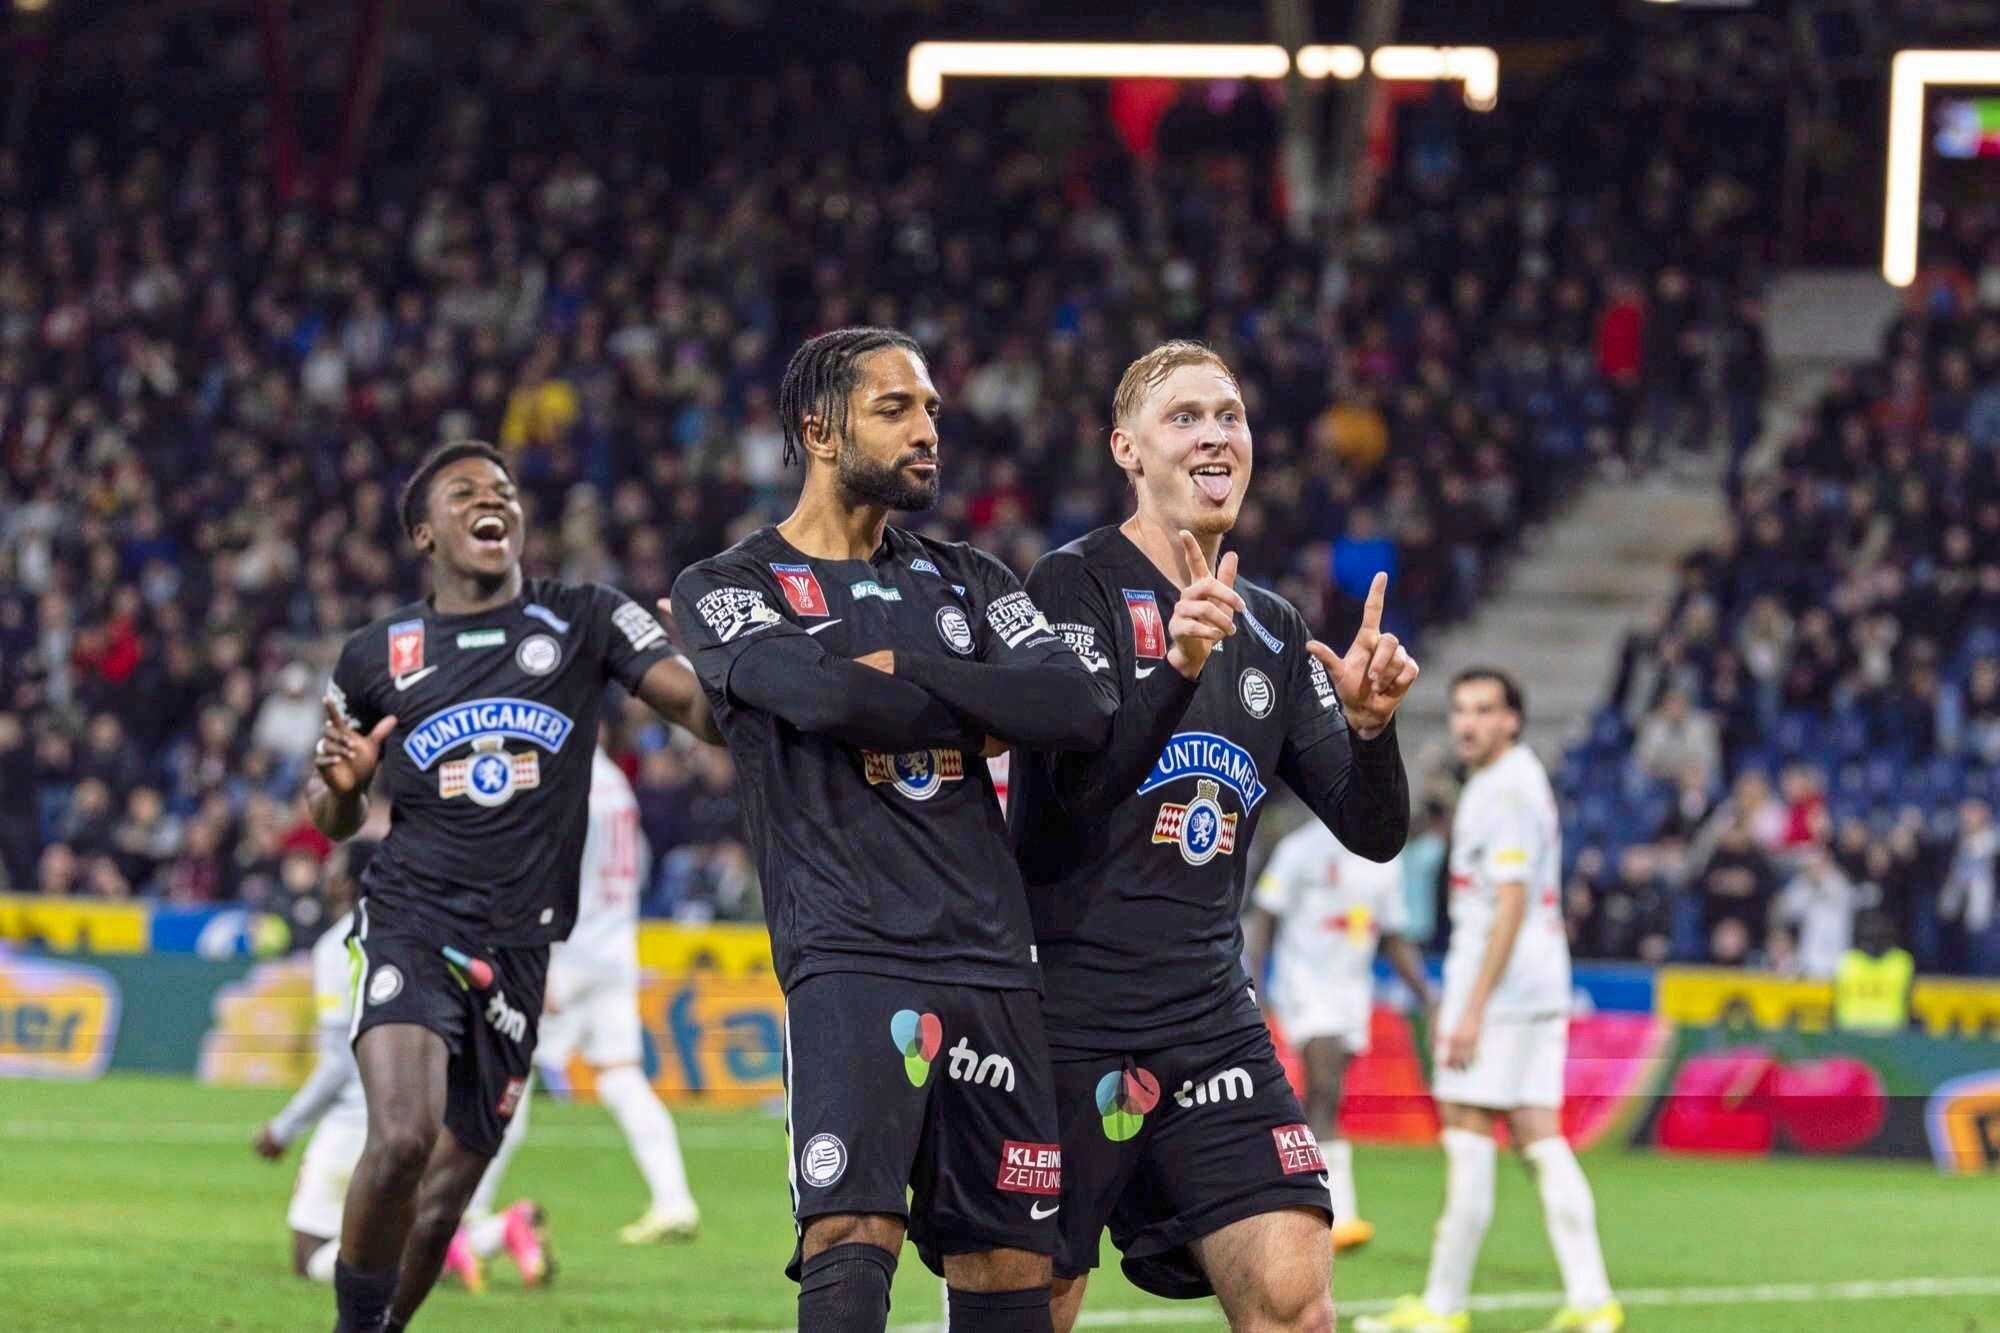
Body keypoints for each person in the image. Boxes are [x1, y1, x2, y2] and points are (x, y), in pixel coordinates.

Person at [668, 327, 1116, 1333]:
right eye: (896, 409)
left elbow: (1076, 710)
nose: (927, 432)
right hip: (849, 949)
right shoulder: (726, 586)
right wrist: (982, 707)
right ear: (819, 431)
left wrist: (905, 673)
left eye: (931, 413)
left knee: (1009, 1258)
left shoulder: (972, 578)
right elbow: (824, 700)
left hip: (994, 958)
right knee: (849, 1230)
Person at [1007, 340, 1416, 1331]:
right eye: (1183, 416)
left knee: (1292, 1297)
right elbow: (1073, 789)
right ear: (1126, 448)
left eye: (1228, 415)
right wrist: (1176, 665)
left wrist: (1370, 733)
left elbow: (1371, 831)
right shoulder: (1073, 589)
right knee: (1031, 1306)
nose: (1214, 434)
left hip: (1207, 1019)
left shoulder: (1269, 628)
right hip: (1068, 1013)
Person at [307, 440, 720, 1333]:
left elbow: (697, 710)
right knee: (404, 1136)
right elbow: (330, 808)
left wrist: (725, 668)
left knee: (451, 1183)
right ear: (425, 530)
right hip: (410, 917)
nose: (490, 500)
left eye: (501, 490)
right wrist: (340, 791)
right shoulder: (375, 654)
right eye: (463, 492)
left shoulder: (585, 618)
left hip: (523, 944)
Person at [1358, 670, 1621, 1333]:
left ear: (1513, 720)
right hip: (1534, 986)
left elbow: (1510, 901)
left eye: (1484, 710)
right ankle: (1593, 1300)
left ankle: (1443, 1306)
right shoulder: (1515, 781)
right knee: (1539, 1135)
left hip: (1500, 993)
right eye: (1459, 710)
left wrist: (1469, 1005)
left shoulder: (1505, 791)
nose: (1468, 723)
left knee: (1469, 1131)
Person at [252, 840, 546, 1294]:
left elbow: (337, 1062)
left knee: (311, 1253)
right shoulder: (435, 935)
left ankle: (452, 1247)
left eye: (334, 869)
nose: (326, 877)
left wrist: (284, 1128)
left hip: (361, 1118)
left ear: (349, 882)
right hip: (430, 1110)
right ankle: (498, 1231)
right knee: (394, 1223)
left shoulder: (339, 944)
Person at [459, 741, 702, 1248]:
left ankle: (470, 1210)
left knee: (508, 1072)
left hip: (567, 956)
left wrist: (538, 959)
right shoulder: (616, 783)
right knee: (620, 1077)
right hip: (614, 947)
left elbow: (549, 874)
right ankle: (674, 1200)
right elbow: (636, 861)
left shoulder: (566, 783)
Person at [1243, 816, 1433, 1253]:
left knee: (1324, 1098)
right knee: (1325, 1089)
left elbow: (1395, 936)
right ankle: (1340, 1213)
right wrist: (1256, 984)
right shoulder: (1301, 847)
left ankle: (1291, 1199)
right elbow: (1264, 919)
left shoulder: (1383, 856)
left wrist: (1426, 994)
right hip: (1305, 985)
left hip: (1353, 990)